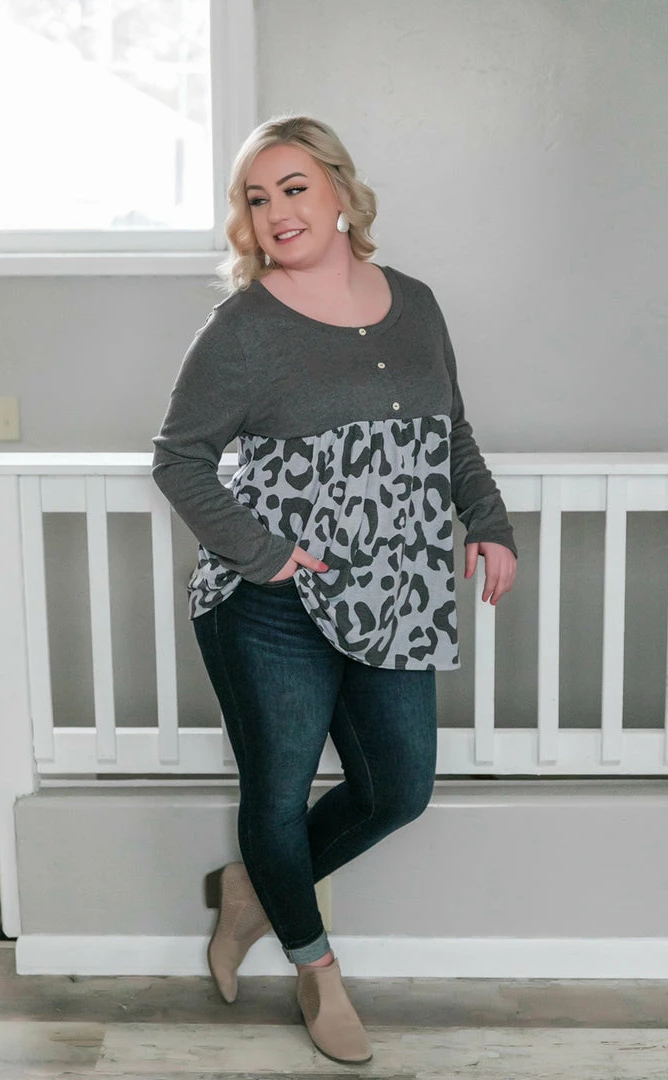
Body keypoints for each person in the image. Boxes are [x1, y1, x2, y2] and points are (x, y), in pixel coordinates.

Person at [152, 115, 517, 1065]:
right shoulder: (242, 329)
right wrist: (264, 554)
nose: (276, 211)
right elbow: (178, 459)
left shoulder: (417, 303)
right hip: (268, 603)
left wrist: (487, 521)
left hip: (395, 592)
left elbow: (449, 431)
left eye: (294, 188)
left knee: (398, 788)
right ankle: (317, 969)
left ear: (342, 193)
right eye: (256, 198)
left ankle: (252, 891)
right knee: (278, 795)